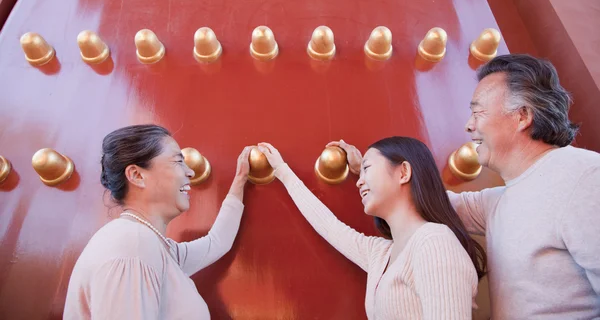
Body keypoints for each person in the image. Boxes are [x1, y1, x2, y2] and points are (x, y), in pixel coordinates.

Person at [339, 54, 600, 319]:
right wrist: (371, 173)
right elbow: (416, 198)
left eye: (478, 112)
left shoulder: (584, 177)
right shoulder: (500, 201)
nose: (469, 125)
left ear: (522, 116)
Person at [256, 138, 486, 319]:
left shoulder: (435, 242)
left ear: (403, 172)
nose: (359, 181)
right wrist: (283, 172)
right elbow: (329, 226)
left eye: (367, 168)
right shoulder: (382, 253)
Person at [64, 124, 252, 319]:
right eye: (178, 162)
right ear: (137, 176)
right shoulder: (132, 245)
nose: (191, 173)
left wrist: (240, 180)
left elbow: (216, 244)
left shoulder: (154, 247)